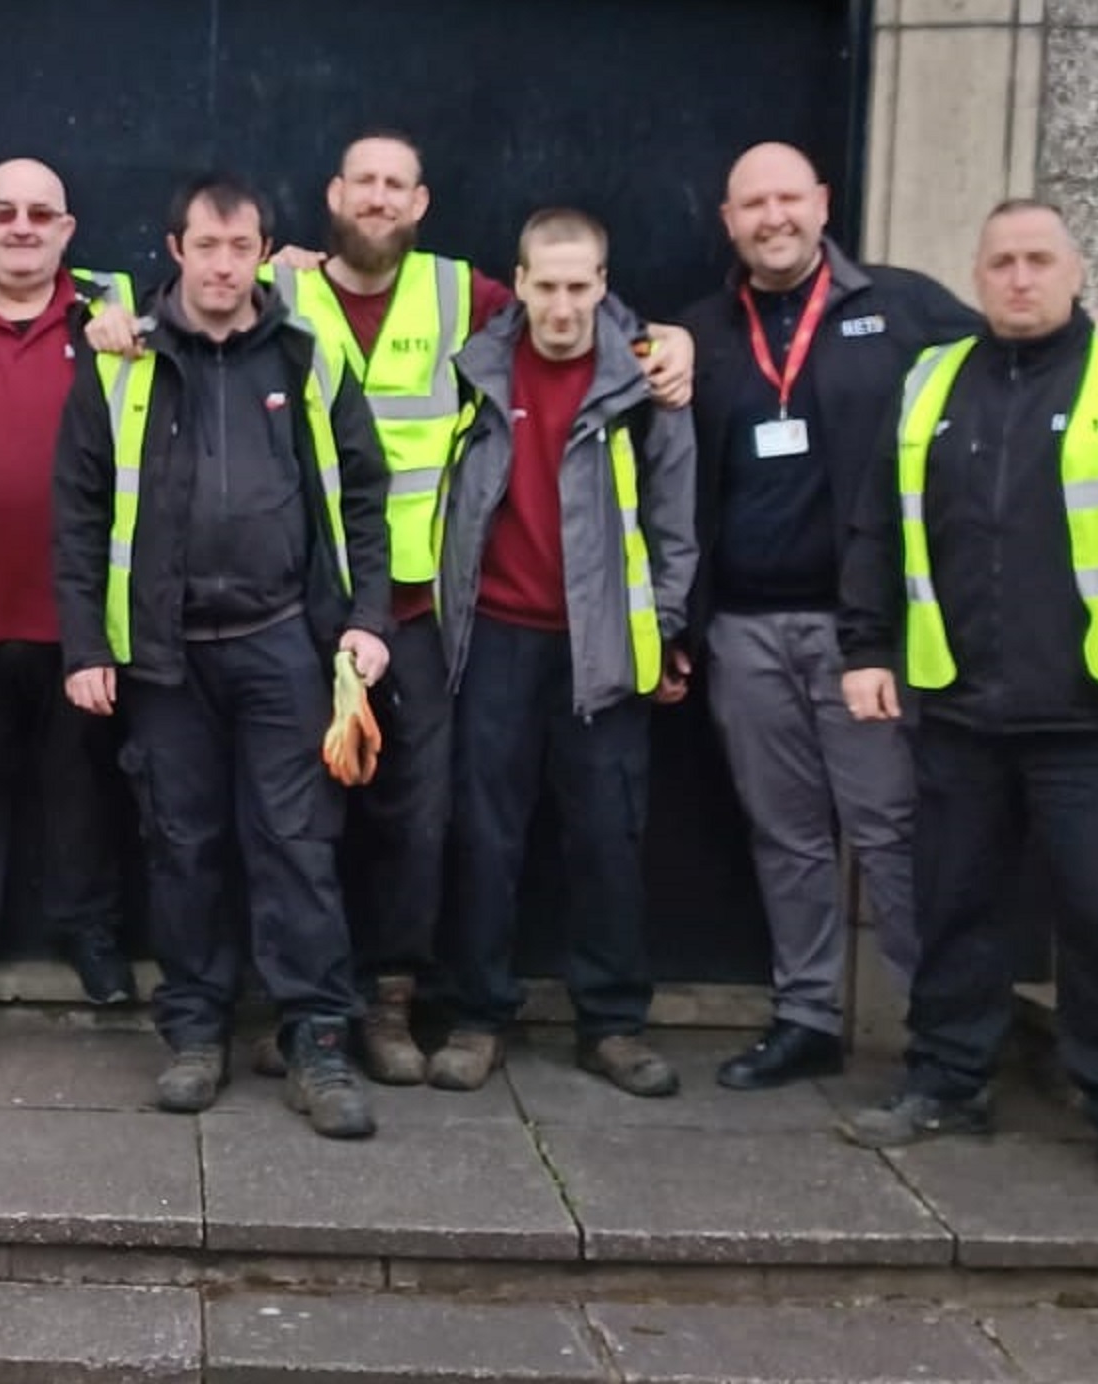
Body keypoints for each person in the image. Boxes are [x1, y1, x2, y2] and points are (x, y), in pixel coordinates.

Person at [87, 131, 696, 1083]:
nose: (377, 199)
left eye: (396, 185)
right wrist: (109, 317)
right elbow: (181, 287)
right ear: (332, 195)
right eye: (362, 182)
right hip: (296, 613)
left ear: (421, 203)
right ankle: (279, 1009)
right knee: (283, 825)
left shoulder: (467, 297)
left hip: (421, 615)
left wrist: (666, 337)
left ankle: (387, 1000)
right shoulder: (271, 289)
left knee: (420, 821)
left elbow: (569, 299)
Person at [834, 200, 1098, 1204]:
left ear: (1075, 269)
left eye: (1038, 260)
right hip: (960, 707)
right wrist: (868, 645)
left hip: (1094, 714)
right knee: (958, 906)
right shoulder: (931, 382)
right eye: (1002, 261)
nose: (1020, 278)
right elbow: (878, 528)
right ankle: (946, 1082)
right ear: (976, 275)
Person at [54, 172, 392, 1139]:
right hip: (163, 658)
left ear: (263, 256)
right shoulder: (119, 360)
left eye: (240, 248)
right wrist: (86, 642)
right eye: (206, 246)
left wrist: (368, 617)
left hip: (284, 644)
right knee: (183, 848)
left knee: (298, 849)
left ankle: (317, 1041)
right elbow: (75, 516)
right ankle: (195, 1031)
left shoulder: (308, 356)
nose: (222, 265)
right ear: (175, 251)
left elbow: (363, 498)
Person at [674, 142, 980, 1090]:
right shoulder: (704, 331)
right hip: (744, 633)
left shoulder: (902, 306)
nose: (773, 218)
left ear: (822, 205)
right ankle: (807, 1016)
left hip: (866, 638)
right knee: (787, 834)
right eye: (752, 204)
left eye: (787, 199)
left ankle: (943, 1035)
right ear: (728, 221)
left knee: (889, 829)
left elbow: (1016, 355)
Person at [429, 208, 698, 1096]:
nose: (562, 304)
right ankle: (478, 1016)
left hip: (604, 645)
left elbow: (673, 516)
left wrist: (660, 630)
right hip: (494, 638)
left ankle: (613, 1025)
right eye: (545, 284)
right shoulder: (476, 364)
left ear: (604, 285)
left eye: (580, 286)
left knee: (607, 839)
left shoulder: (643, 378)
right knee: (484, 839)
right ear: (521, 280)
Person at [0, 158, 139, 1006]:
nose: (21, 226)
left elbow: (232, 282)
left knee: (85, 791)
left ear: (68, 230)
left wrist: (287, 262)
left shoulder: (119, 312)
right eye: (2, 212)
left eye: (42, 213)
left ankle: (91, 936)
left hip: (81, 607)